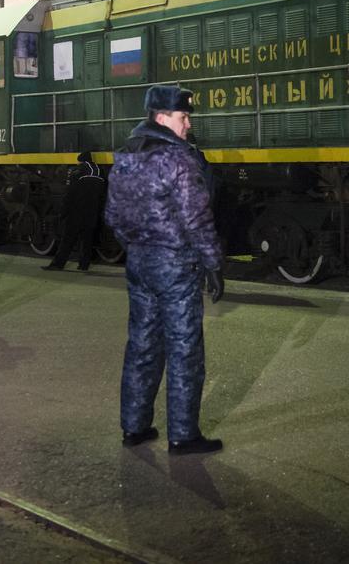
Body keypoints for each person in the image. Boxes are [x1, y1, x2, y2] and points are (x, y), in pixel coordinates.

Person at [105, 85, 225, 455]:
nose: (188, 124)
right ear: (161, 117)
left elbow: (112, 216)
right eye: (183, 116)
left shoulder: (125, 156)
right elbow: (197, 218)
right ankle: (183, 435)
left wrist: (138, 246)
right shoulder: (178, 159)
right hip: (175, 265)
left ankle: (135, 427)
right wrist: (213, 263)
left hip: (139, 263)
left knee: (142, 345)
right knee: (185, 348)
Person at [44, 151, 106, 272]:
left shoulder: (77, 171)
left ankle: (58, 264)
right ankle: (84, 264)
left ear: (80, 160)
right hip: (92, 210)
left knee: (68, 239)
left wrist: (63, 211)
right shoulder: (99, 171)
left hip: (76, 210)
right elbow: (102, 194)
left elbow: (70, 193)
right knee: (87, 238)